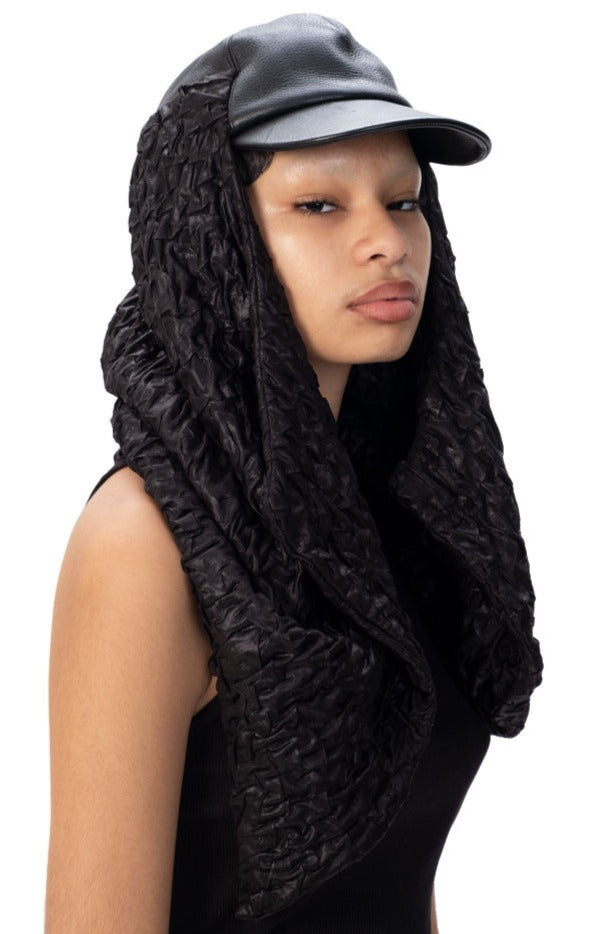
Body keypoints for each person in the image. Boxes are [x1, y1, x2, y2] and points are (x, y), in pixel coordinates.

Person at [45, 13, 543, 934]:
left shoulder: (407, 517)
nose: (388, 241)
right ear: (213, 236)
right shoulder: (144, 543)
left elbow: (394, 876)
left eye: (404, 201)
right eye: (320, 205)